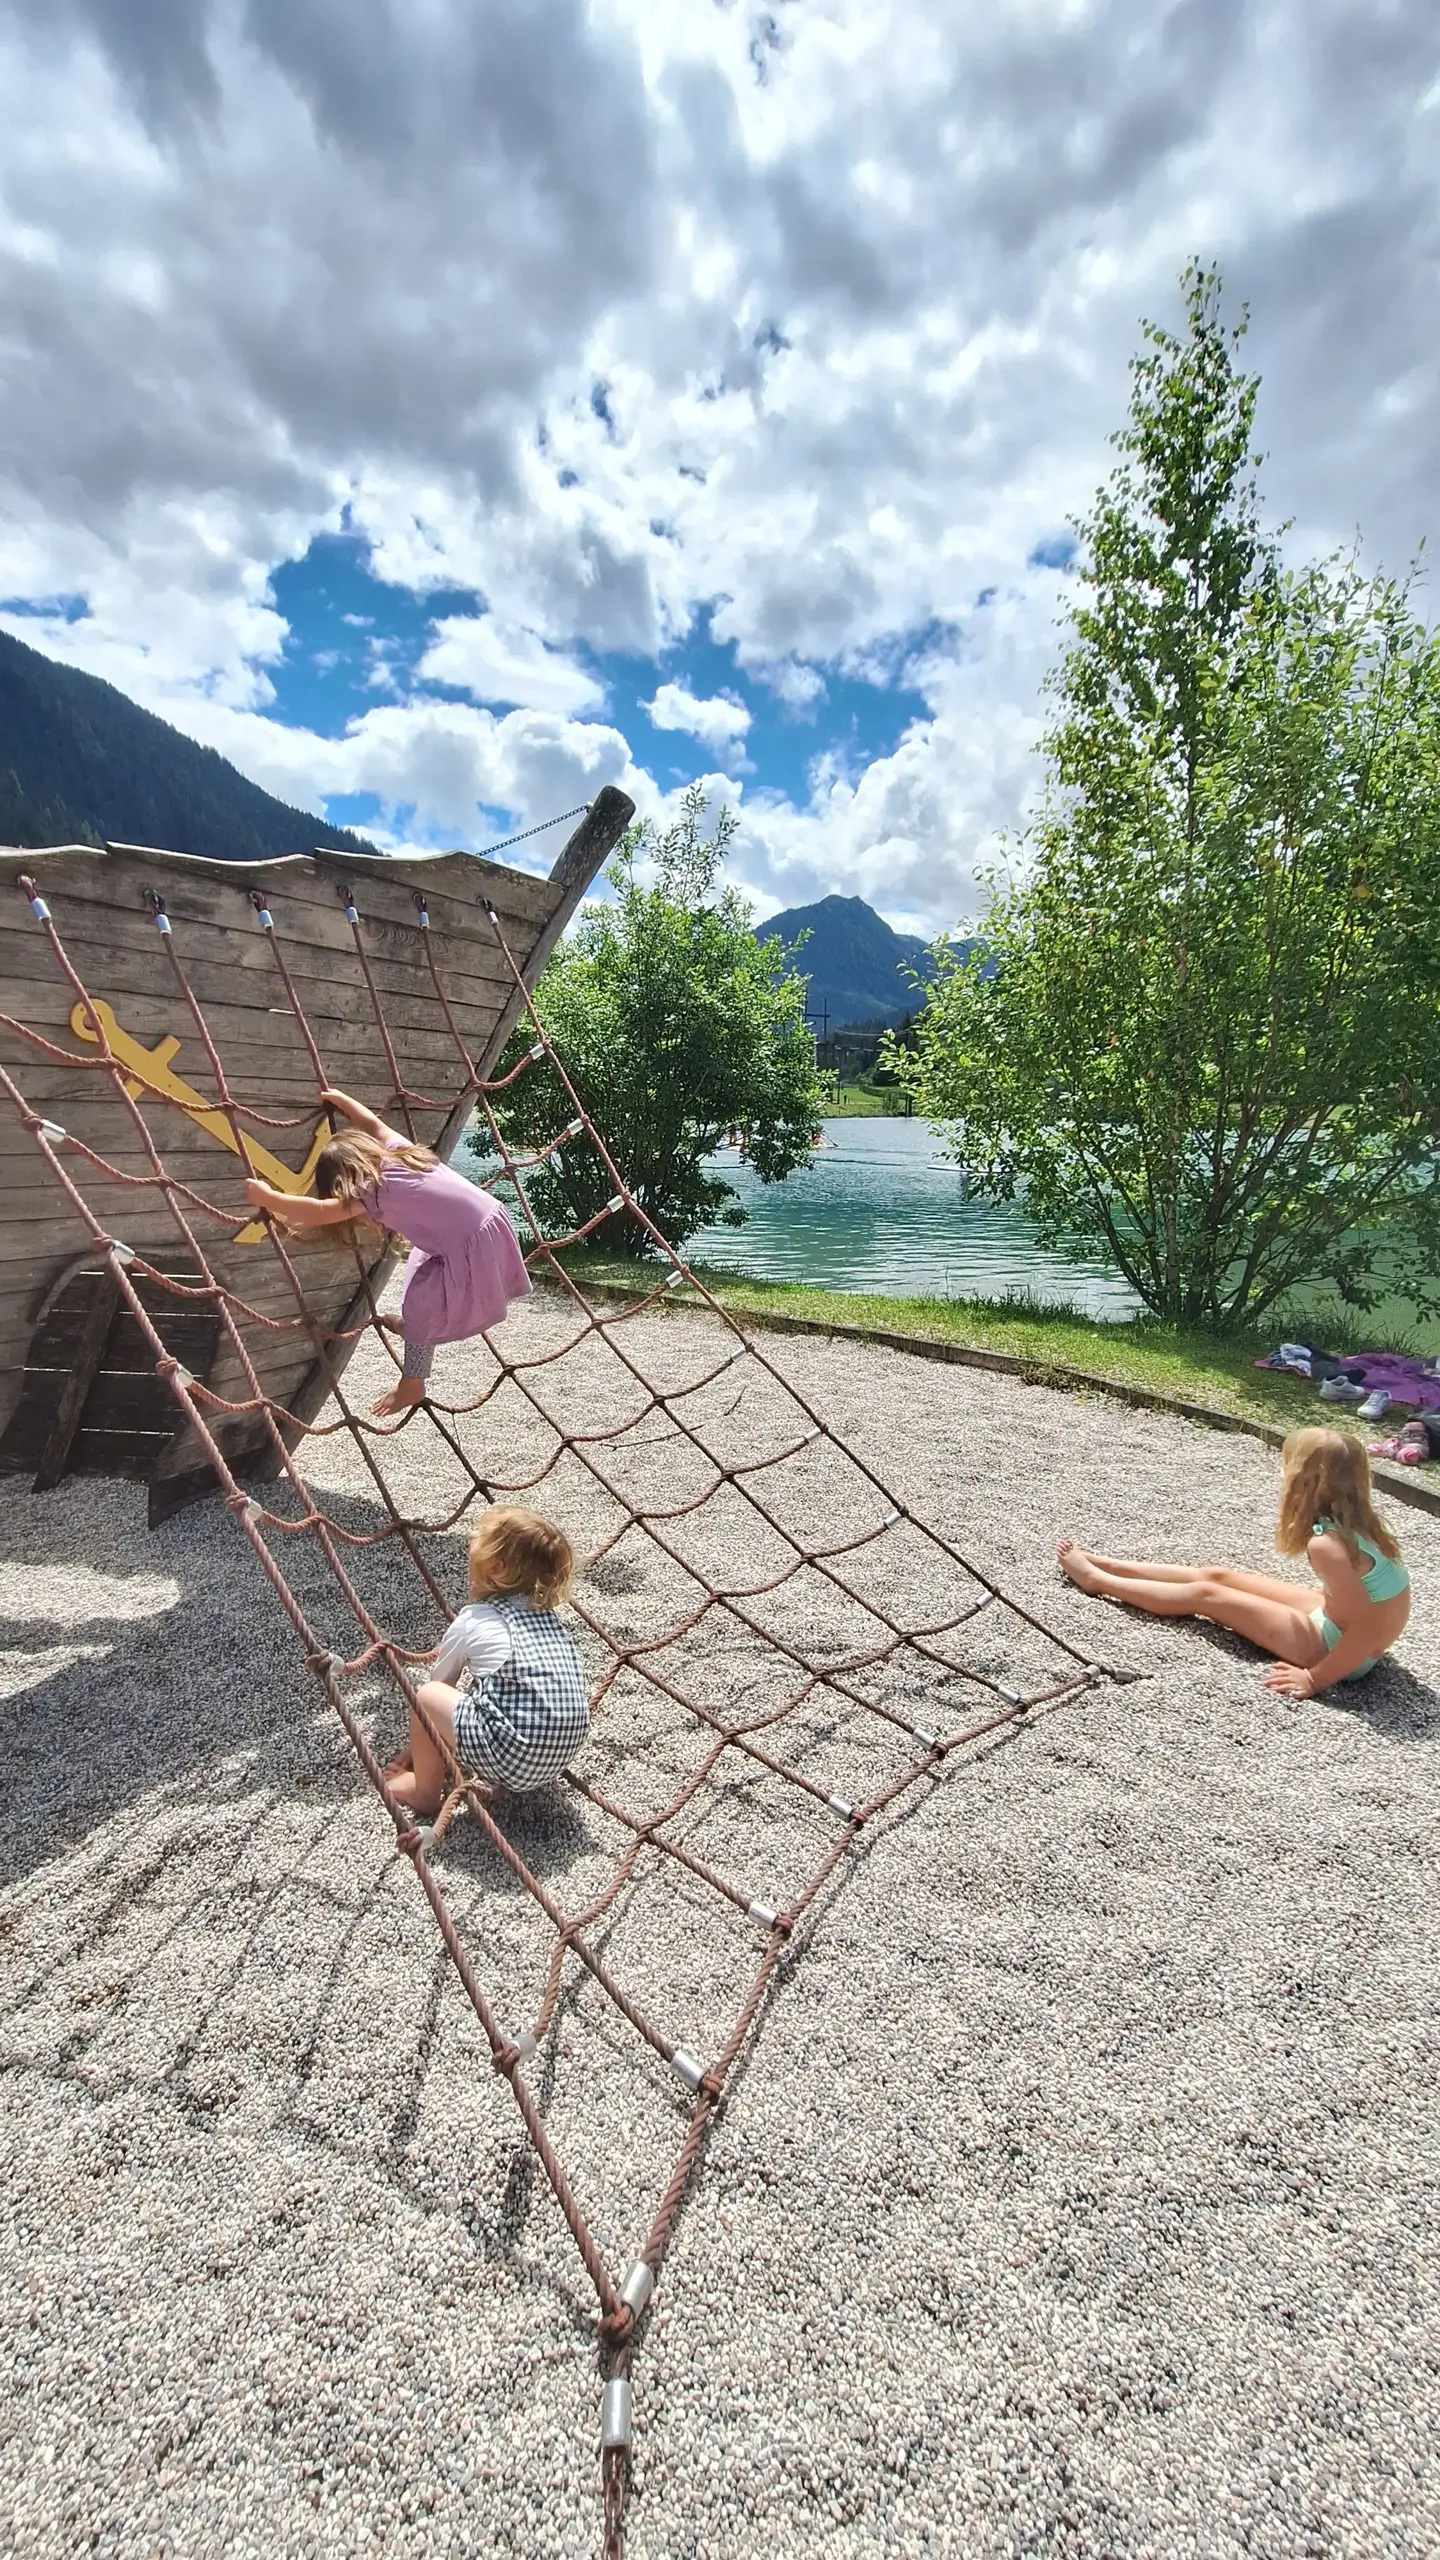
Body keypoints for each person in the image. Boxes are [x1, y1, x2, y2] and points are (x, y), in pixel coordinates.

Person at [243, 1086, 531, 1417]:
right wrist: (341, 1100)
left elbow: (318, 1211)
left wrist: (268, 1198)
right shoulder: (399, 1149)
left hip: (466, 1244)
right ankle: (417, 1330)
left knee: (420, 1304)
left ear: (344, 1183)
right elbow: (371, 1123)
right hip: (490, 1220)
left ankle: (413, 1381)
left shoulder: (371, 1193)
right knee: (419, 1268)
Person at [1058, 1427, 1410, 1695]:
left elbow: (1365, 1632)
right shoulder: (1362, 1522)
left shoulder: (1327, 1546)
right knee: (1217, 1575)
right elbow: (1366, 1604)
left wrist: (1315, 1679)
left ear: (1304, 1481)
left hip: (1339, 1649)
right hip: (1337, 1619)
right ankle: (1111, 1564)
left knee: (1206, 1595)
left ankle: (1096, 1580)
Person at [385, 1505, 589, 1819]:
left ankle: (423, 1792)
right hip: (562, 1752)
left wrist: (418, 1749)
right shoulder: (548, 1619)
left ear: (494, 1566)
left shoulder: (474, 1618)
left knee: (426, 1696)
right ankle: (513, 1765)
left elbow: (438, 1689)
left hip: (516, 1757)